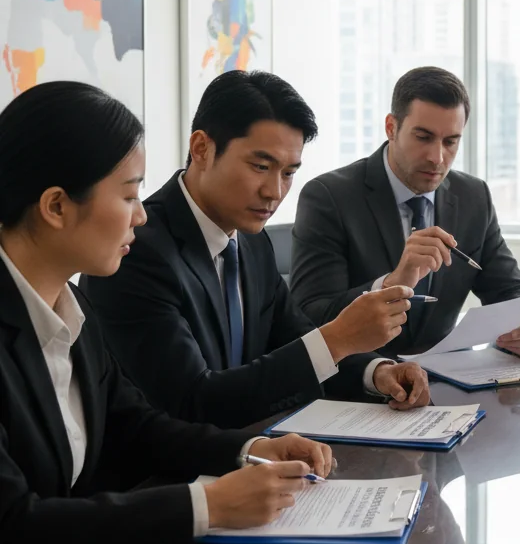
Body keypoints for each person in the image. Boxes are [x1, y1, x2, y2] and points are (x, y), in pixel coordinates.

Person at [0, 81, 332, 544]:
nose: (140, 216)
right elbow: (12, 527)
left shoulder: (68, 311)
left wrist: (247, 450)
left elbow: (135, 424)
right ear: (56, 207)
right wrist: (207, 507)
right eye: (130, 195)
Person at [82, 70, 429, 429]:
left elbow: (293, 339)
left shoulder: (249, 239)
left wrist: (377, 372)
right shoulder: (136, 249)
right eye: (261, 166)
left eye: (288, 173)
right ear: (201, 148)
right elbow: (191, 402)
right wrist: (337, 339)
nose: (274, 192)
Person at [290, 67, 520, 358]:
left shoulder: (473, 196)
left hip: (447, 382)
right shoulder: (329, 197)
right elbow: (309, 316)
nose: (437, 158)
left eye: (450, 142)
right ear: (391, 128)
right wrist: (392, 283)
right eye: (423, 137)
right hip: (360, 383)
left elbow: (510, 289)